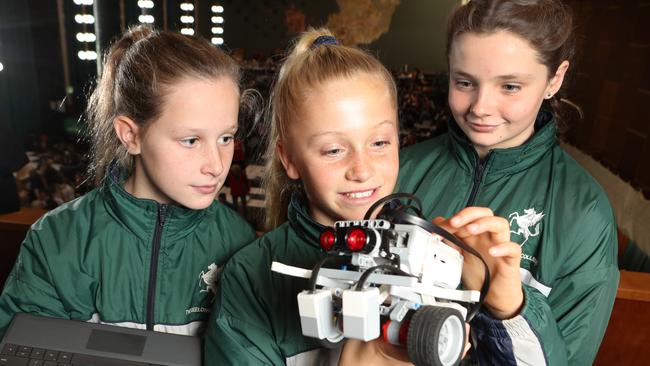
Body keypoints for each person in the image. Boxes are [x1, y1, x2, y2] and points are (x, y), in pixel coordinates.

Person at [204, 28, 518, 365]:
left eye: (380, 143)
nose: (362, 169)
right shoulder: (252, 277)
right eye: (334, 149)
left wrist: (506, 308)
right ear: (290, 160)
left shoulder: (439, 252)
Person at [398, 1, 619, 364]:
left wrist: (510, 305)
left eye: (510, 86)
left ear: (555, 79)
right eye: (464, 82)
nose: (481, 107)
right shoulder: (399, 171)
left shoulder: (584, 213)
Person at [0, 26, 256, 338]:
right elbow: (22, 348)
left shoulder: (240, 242)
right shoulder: (56, 239)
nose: (216, 166)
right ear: (131, 135)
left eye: (226, 138)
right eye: (191, 140)